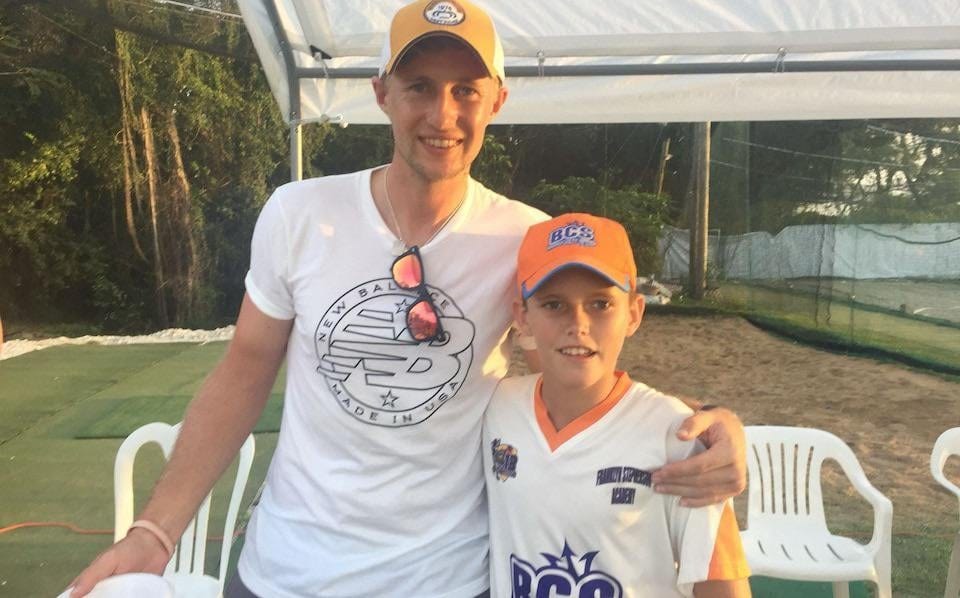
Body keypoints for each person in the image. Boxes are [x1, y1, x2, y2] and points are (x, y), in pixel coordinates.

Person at [69, 1, 747, 596]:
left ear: (497, 102)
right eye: (419, 86)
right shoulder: (299, 215)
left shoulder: (522, 237)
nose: (442, 114)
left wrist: (705, 424)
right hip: (285, 572)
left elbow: (580, 372)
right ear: (382, 93)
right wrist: (157, 532)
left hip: (446, 578)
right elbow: (244, 370)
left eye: (465, 90)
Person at [484, 213, 751, 597]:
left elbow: (723, 588)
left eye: (600, 303)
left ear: (634, 313)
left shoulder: (678, 440)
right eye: (554, 304)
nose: (578, 323)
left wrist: (721, 417)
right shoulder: (498, 409)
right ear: (522, 317)